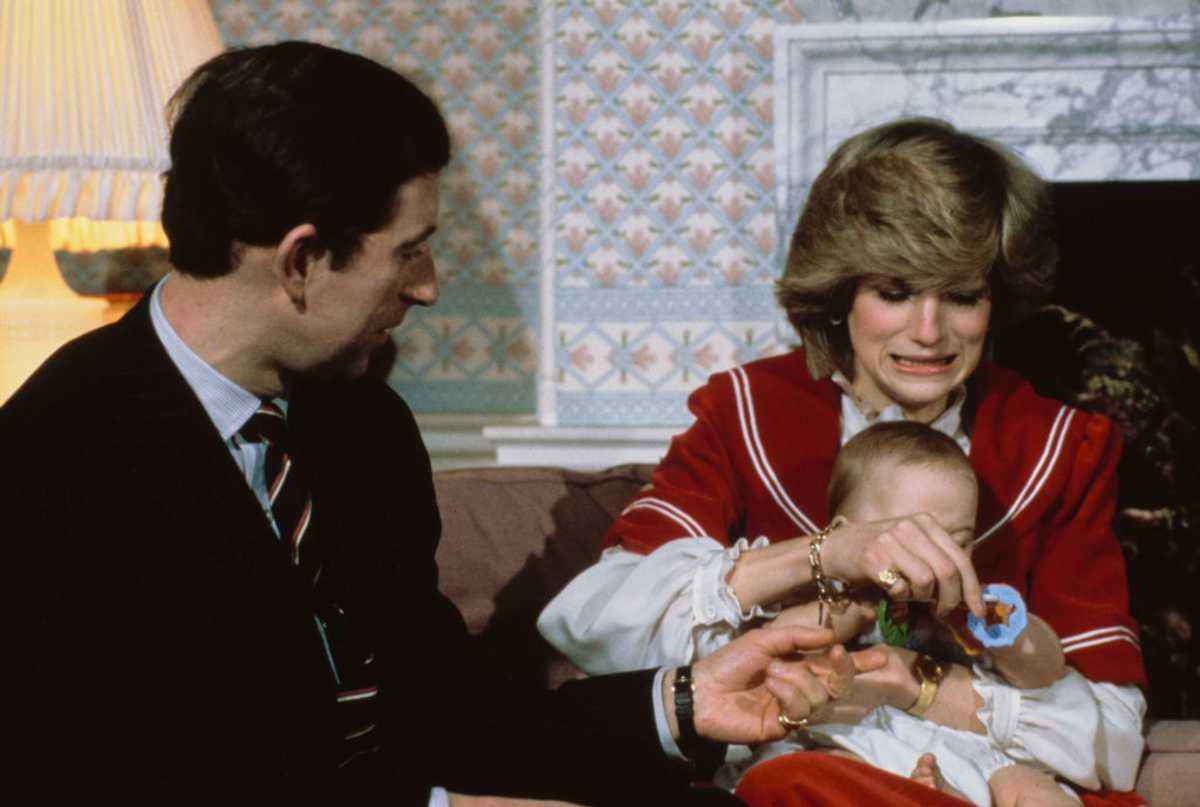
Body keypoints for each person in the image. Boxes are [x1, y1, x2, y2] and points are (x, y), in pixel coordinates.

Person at [4, 41, 886, 807]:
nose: (427, 286)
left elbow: (442, 718)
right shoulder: (48, 462)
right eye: (408, 249)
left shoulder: (365, 425)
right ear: (303, 259)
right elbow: (112, 781)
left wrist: (681, 701)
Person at [538, 118, 1147, 806]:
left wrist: (914, 683)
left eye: (961, 295)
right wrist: (829, 553)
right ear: (840, 293)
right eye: (894, 291)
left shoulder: (1060, 446)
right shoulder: (748, 410)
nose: (929, 330)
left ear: (995, 301)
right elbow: (591, 627)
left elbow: (1114, 744)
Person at [728, 420, 1080, 807]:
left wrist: (1003, 625)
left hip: (958, 748)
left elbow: (1045, 671)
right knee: (819, 777)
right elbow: (775, 648)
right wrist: (851, 611)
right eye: (914, 536)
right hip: (849, 741)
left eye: (958, 542)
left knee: (1033, 789)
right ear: (848, 533)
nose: (938, 556)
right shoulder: (832, 600)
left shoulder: (962, 611)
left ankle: (947, 796)